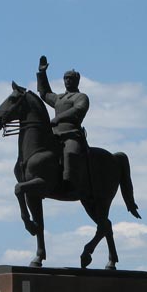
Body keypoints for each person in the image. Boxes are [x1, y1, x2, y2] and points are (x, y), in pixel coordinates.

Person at [36, 54, 90, 196]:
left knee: (70, 153)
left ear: (77, 81)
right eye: (66, 78)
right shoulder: (60, 98)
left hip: (71, 135)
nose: (68, 81)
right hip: (55, 136)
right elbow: (45, 93)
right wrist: (42, 73)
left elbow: (78, 110)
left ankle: (69, 183)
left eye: (71, 79)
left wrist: (58, 118)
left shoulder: (81, 97)